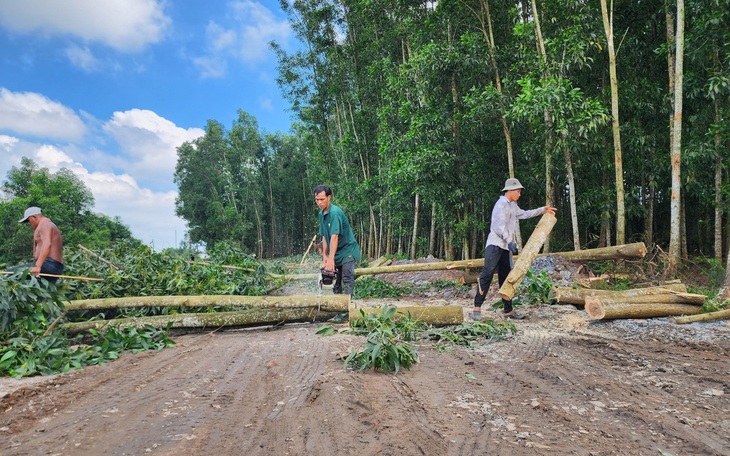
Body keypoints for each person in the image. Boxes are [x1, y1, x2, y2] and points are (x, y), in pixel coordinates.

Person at [473, 178, 556, 320]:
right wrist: (510, 241)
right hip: (495, 245)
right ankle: (477, 308)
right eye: (518, 191)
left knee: (506, 278)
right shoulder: (500, 205)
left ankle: (508, 311)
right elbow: (498, 227)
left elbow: (524, 214)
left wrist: (543, 210)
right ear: (510, 191)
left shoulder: (513, 205)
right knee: (487, 274)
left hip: (506, 247)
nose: (519, 194)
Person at [314, 185, 361, 295]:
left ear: (329, 197)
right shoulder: (321, 214)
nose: (319, 202)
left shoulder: (334, 213)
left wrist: (331, 259)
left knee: (347, 277)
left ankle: (349, 305)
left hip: (347, 250)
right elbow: (325, 236)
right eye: (317, 200)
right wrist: (325, 256)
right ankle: (338, 308)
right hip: (336, 251)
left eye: (322, 199)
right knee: (335, 280)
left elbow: (334, 236)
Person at [10, 207, 65, 283]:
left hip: (49, 264)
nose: (30, 224)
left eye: (29, 220)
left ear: (34, 217)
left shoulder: (45, 225)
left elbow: (47, 244)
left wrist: (38, 265)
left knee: (8, 274)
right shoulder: (43, 226)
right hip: (50, 265)